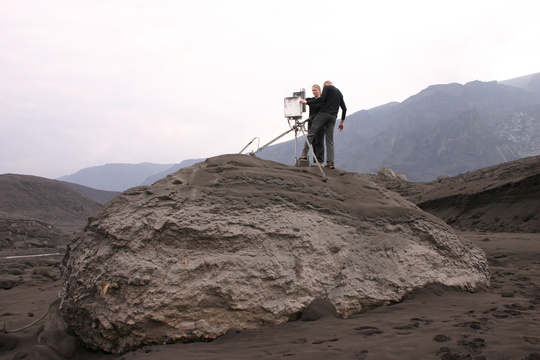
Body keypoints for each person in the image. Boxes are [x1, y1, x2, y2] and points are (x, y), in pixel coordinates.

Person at [300, 80, 347, 169]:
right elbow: (344, 108)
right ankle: (330, 162)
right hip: (333, 117)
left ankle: (304, 154)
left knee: (311, 133)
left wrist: (307, 102)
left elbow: (321, 99)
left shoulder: (327, 87)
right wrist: (342, 122)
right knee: (330, 140)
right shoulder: (339, 93)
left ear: (325, 85)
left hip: (324, 114)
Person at [300, 84, 324, 163]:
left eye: (315, 90)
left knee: (319, 141)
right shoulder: (311, 100)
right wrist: (302, 93)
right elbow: (303, 100)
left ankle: (319, 160)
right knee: (312, 142)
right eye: (313, 90)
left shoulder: (322, 99)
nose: (314, 92)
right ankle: (315, 160)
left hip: (320, 122)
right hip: (311, 122)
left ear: (319, 90)